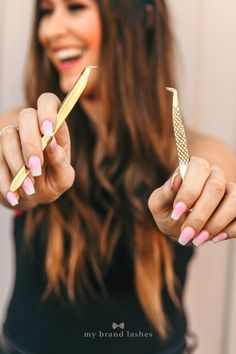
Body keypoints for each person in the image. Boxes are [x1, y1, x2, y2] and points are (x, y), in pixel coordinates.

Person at [0, 0, 236, 353]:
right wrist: (15, 178)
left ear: (142, 14)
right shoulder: (22, 130)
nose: (49, 30)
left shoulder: (194, 149)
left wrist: (203, 198)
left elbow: (216, 171)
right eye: (47, 12)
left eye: (75, 7)